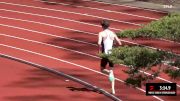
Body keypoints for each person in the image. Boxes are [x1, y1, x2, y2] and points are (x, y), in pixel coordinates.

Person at [98, 20, 122, 94]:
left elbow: (99, 43)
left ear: (102, 26)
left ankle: (109, 73)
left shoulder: (101, 33)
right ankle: (113, 90)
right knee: (111, 71)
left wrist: (99, 51)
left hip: (105, 54)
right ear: (108, 26)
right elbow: (120, 43)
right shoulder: (112, 33)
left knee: (102, 69)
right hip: (112, 54)